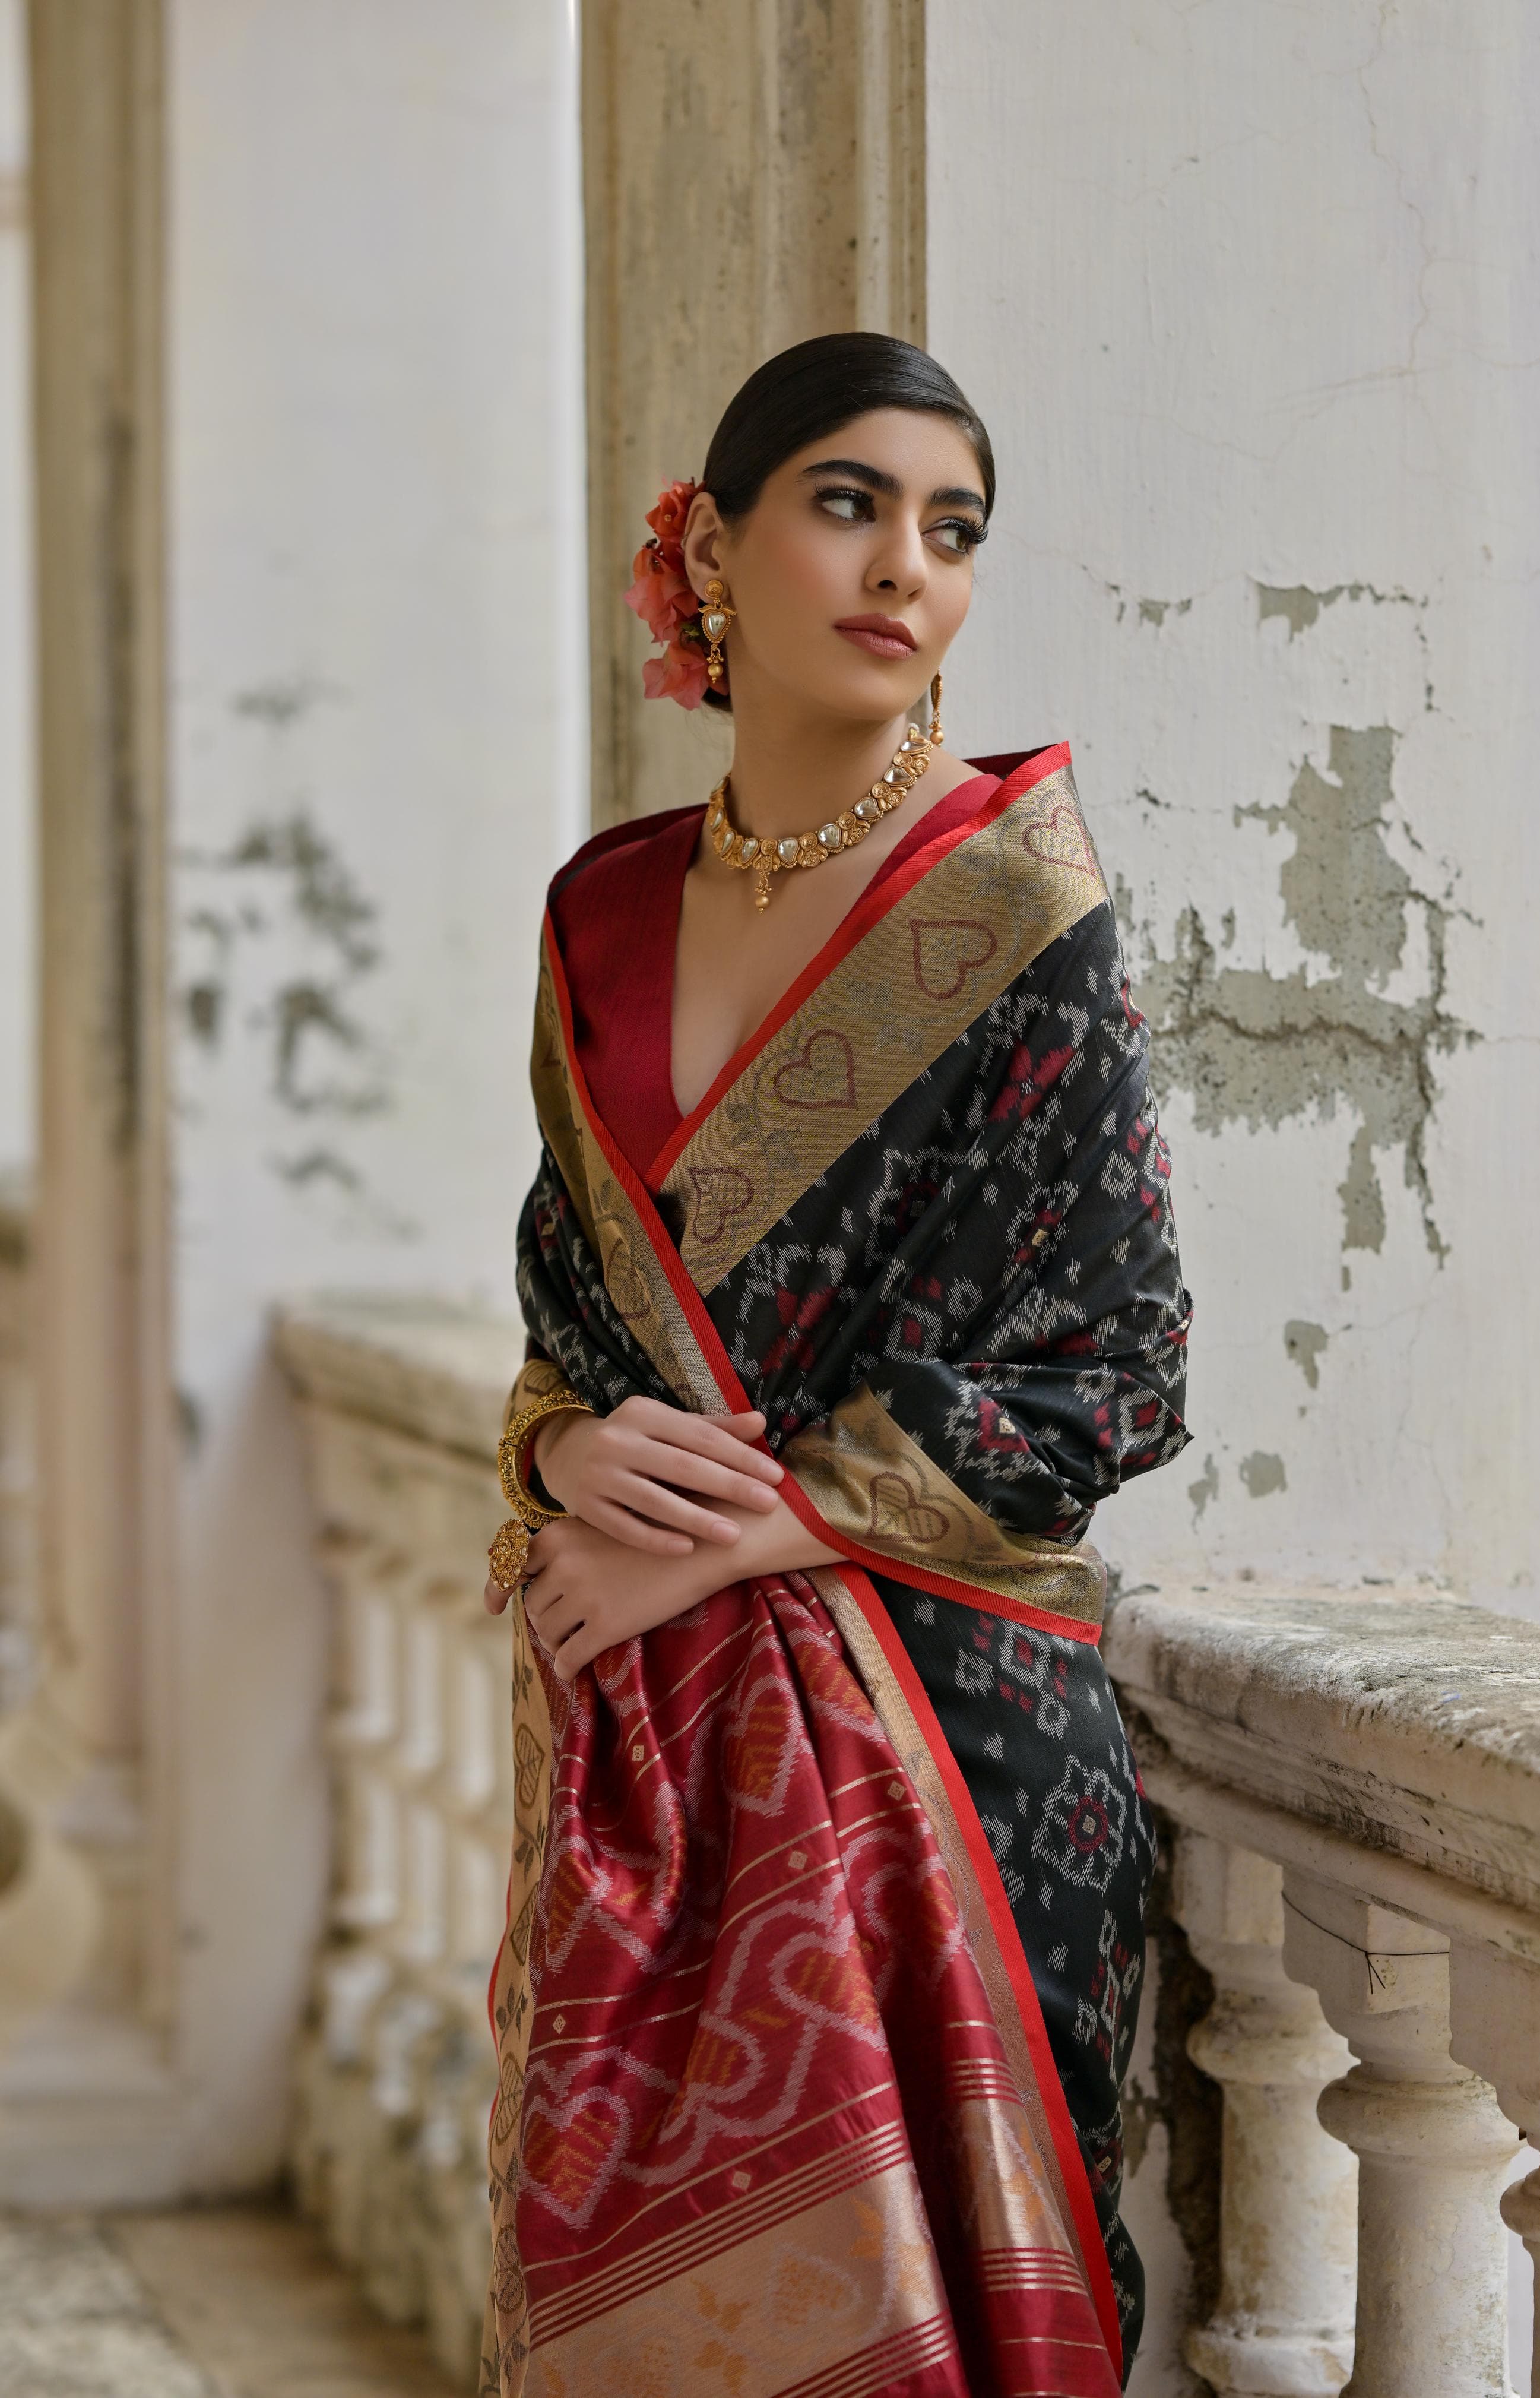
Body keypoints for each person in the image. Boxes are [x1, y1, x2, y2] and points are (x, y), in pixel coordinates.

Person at [479, 332, 1192, 2398]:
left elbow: (1118, 1375)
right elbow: (566, 1326)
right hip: (660, 1748)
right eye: (848, 505)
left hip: (953, 1741)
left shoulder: (1014, 907)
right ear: (707, 547)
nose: (907, 571)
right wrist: (552, 1466)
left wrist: (730, 1538)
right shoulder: (602, 918)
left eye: (951, 531)